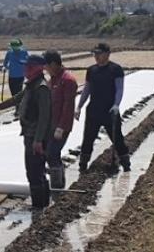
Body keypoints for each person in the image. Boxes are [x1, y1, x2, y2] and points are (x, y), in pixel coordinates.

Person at [0, 54, 52, 208]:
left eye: (28, 67)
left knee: (34, 172)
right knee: (37, 171)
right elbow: (15, 99)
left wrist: (38, 140)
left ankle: (39, 207)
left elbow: (44, 117)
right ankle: (43, 205)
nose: (25, 69)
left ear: (37, 69)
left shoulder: (41, 88)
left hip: (35, 137)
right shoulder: (31, 86)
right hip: (30, 135)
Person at [75, 43, 130, 172]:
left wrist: (116, 105)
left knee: (117, 138)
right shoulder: (91, 70)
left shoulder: (115, 69)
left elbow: (119, 89)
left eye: (99, 54)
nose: (96, 56)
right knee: (88, 138)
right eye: (95, 54)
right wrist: (79, 107)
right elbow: (87, 90)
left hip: (110, 111)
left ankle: (125, 163)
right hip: (93, 110)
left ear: (107, 54)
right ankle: (83, 164)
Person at [43, 50, 78, 189]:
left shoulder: (67, 80)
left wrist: (61, 127)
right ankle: (58, 182)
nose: (45, 69)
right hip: (51, 124)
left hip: (61, 126)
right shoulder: (53, 79)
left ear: (53, 64)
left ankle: (57, 185)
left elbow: (68, 106)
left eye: (46, 66)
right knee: (51, 153)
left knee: (52, 153)